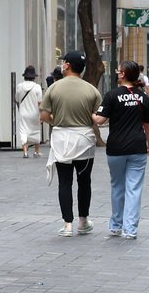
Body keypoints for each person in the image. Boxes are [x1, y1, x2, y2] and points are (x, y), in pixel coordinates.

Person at [41, 51, 103, 236]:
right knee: (84, 182)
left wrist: (58, 121)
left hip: (61, 139)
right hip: (84, 139)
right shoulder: (92, 90)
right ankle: (83, 222)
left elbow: (44, 115)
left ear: (67, 65)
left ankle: (67, 224)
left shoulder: (54, 88)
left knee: (65, 182)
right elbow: (98, 117)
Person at [94, 61, 149, 240]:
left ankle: (116, 225)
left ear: (122, 74)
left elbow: (99, 120)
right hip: (138, 147)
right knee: (134, 189)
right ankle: (131, 229)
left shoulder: (112, 95)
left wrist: (89, 113)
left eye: (118, 70)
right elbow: (148, 126)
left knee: (117, 186)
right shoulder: (143, 97)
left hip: (116, 148)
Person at [15, 65, 43, 158]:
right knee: (36, 131)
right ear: (34, 77)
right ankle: (36, 152)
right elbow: (40, 103)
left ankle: (25, 152)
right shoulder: (37, 87)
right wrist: (41, 115)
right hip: (35, 113)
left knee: (23, 131)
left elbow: (17, 99)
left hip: (23, 113)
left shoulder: (19, 86)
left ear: (25, 76)